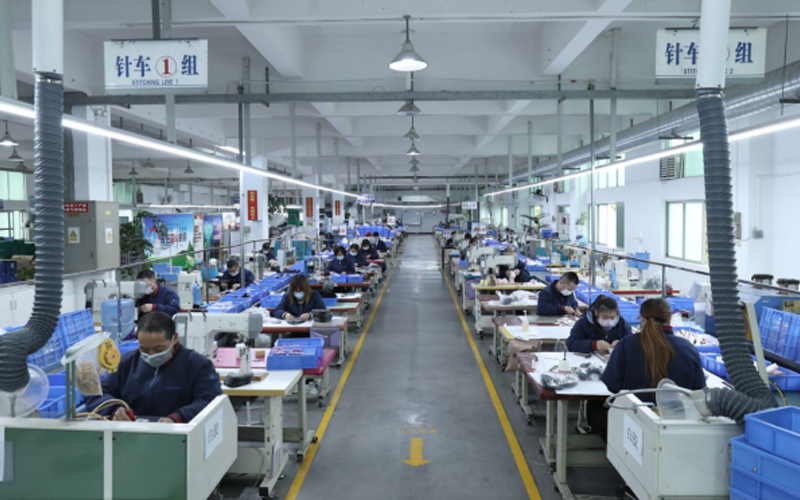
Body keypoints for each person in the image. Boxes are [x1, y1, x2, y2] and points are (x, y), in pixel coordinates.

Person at [85, 312, 222, 423]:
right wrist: (113, 409)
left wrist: (178, 417)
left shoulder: (197, 365)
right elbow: (97, 393)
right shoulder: (127, 362)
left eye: (158, 349)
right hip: (130, 436)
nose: (151, 355)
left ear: (174, 339)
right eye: (144, 349)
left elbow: (210, 401)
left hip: (180, 436)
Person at [601, 298, 706, 402]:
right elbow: (698, 390)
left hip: (634, 413)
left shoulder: (626, 345)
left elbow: (612, 384)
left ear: (642, 318)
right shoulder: (688, 348)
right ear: (670, 319)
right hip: (678, 415)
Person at [567, 295, 632, 353]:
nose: (608, 321)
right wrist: (594, 345)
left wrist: (622, 344)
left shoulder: (623, 324)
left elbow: (632, 344)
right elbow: (571, 344)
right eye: (605, 317)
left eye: (612, 318)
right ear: (596, 312)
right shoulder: (584, 323)